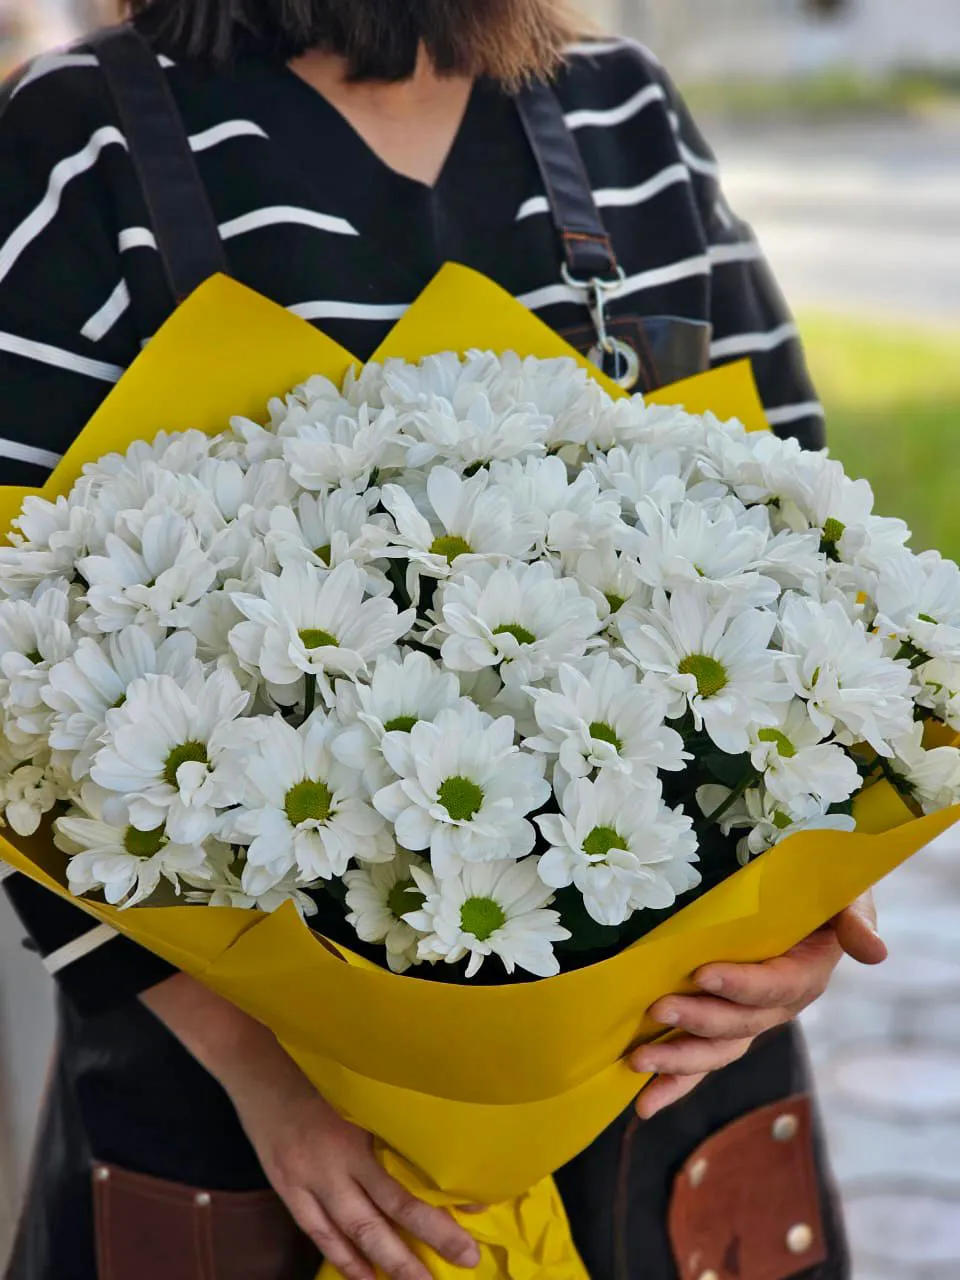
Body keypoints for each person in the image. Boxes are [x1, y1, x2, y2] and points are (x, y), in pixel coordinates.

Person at [0, 3, 888, 1277]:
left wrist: (800, 934)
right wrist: (266, 1081)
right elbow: (18, 685)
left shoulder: (625, 112)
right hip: (253, 1134)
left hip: (675, 1117)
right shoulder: (79, 139)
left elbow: (813, 557)